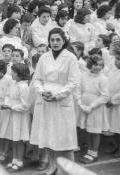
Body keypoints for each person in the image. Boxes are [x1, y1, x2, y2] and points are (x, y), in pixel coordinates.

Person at [30, 28, 80, 174]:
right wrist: (42, 91)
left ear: (64, 41)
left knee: (65, 141)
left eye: (58, 40)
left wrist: (57, 95)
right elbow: (37, 79)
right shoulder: (44, 57)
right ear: (49, 42)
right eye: (52, 40)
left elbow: (73, 82)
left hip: (62, 102)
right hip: (45, 101)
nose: (55, 43)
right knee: (48, 138)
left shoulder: (70, 58)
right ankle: (52, 167)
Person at [76, 55, 110, 164]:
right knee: (87, 130)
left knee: (95, 131)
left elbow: (104, 96)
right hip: (84, 106)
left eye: (100, 65)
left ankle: (94, 153)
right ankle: (89, 151)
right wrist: (80, 104)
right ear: (90, 64)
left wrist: (91, 106)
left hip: (96, 108)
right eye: (95, 64)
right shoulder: (83, 76)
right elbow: (78, 90)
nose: (98, 67)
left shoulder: (103, 79)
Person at [1, 63, 31, 172]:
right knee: (14, 139)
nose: (11, 74)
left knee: (19, 140)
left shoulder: (24, 86)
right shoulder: (14, 84)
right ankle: (14, 160)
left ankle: (20, 161)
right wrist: (6, 104)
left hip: (20, 116)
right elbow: (8, 95)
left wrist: (11, 107)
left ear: (19, 74)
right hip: (12, 114)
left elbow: (26, 105)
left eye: (13, 72)